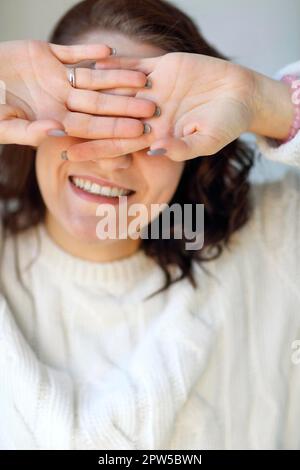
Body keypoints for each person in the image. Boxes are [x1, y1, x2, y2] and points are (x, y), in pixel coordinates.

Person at [0, 0, 299, 450]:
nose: (112, 157)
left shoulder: (275, 242)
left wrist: (260, 99)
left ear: (194, 151)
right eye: (88, 117)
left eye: (145, 126)